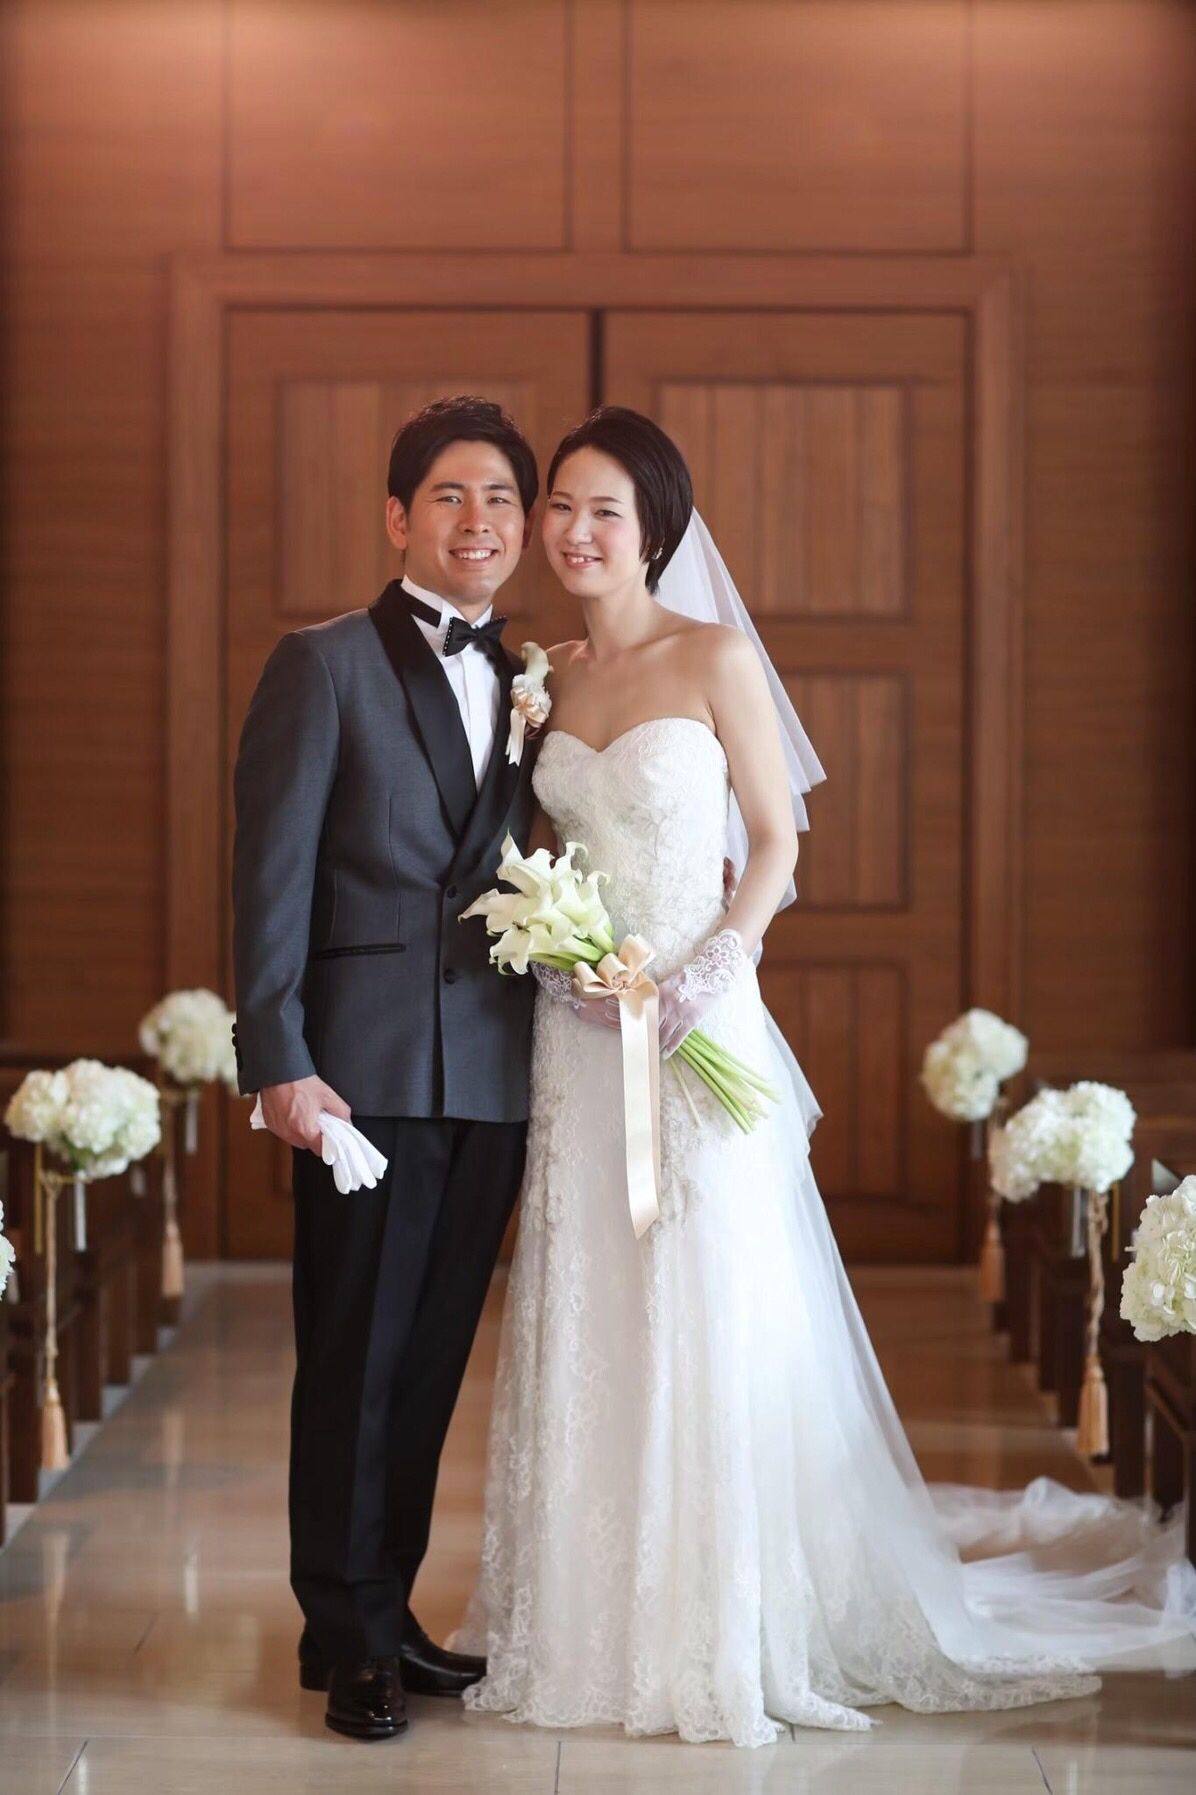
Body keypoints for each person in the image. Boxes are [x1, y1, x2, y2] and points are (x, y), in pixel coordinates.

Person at [456, 406, 1196, 1747]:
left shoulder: (715, 655)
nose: (572, 531)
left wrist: (707, 972)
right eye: (559, 504)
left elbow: (776, 842)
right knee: (592, 1297)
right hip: (580, 1038)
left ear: (658, 530)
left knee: (707, 1300)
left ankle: (727, 1624)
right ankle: (588, 1619)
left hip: (699, 1020)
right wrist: (557, 958)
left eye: (605, 510)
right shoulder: (540, 675)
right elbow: (537, 856)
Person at [232, 395, 542, 1742]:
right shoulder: (323, 666)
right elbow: (269, 874)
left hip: (495, 1072)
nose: (480, 522)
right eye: (452, 496)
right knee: (353, 1357)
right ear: (398, 517)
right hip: (360, 1075)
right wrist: (278, 1058)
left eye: (503, 500)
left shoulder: (535, 682)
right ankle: (346, 1629)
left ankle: (384, 1608)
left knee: (427, 1367)